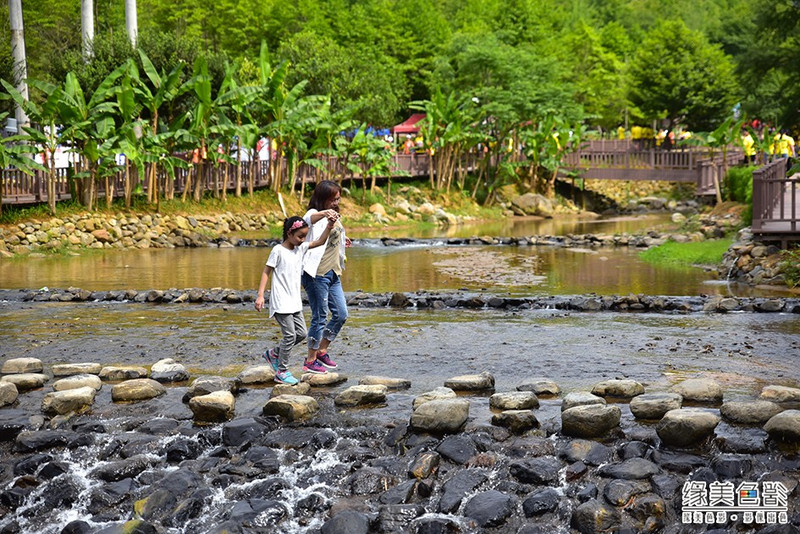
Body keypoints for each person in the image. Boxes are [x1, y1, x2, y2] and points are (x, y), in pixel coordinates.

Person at [255, 214, 337, 385]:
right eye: (300, 236)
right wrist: (261, 295)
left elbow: (320, 242)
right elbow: (266, 272)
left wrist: (329, 225)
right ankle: (282, 371)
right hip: (280, 302)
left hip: (294, 302)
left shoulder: (300, 249)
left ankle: (274, 353)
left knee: (301, 334)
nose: (303, 239)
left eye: (305, 236)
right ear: (289, 234)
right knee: (290, 335)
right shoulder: (278, 250)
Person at [302, 180, 351, 373]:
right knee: (320, 316)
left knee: (341, 314)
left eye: (338, 198)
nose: (336, 202)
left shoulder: (335, 215)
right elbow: (308, 221)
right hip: (316, 274)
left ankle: (322, 350)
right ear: (324, 199)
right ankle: (310, 360)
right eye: (333, 199)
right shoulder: (313, 214)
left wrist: (343, 238)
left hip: (333, 272)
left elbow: (334, 234)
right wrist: (324, 213)